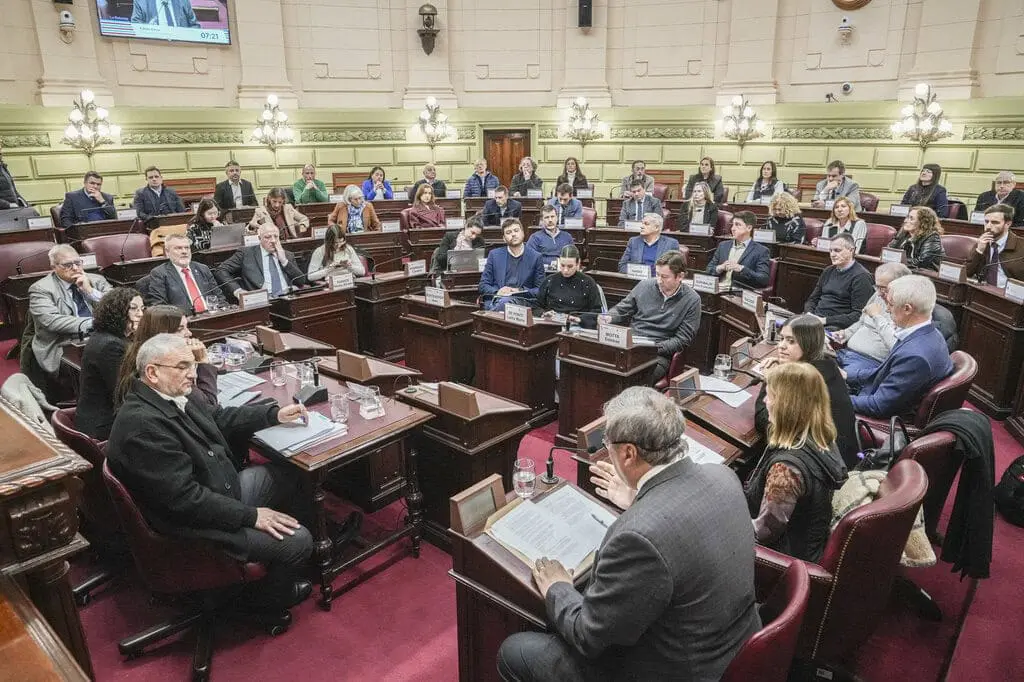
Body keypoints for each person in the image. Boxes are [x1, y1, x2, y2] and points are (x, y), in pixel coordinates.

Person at [497, 387, 760, 682]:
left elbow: (587, 636)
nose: (606, 450)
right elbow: (682, 522)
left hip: (677, 671)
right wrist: (639, 500)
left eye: (607, 443)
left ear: (628, 453)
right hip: (733, 646)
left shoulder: (639, 538)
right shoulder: (723, 476)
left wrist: (558, 587)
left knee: (515, 651)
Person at [106, 333, 315, 612]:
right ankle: (263, 603)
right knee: (299, 541)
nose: (193, 374)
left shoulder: (169, 395)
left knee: (289, 473)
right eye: (183, 367)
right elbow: (186, 501)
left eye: (193, 365)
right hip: (196, 530)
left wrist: (272, 415)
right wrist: (252, 516)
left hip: (216, 493)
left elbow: (217, 418)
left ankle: (294, 562)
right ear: (152, 373)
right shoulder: (143, 427)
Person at [747, 362, 848, 562]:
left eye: (770, 395)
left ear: (786, 405)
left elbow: (763, 533)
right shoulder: (822, 438)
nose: (765, 400)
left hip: (784, 560)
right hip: (808, 544)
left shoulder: (786, 470)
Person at [754, 315, 859, 468]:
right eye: (781, 339)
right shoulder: (827, 364)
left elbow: (764, 421)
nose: (781, 346)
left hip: (821, 466)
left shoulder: (806, 380)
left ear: (808, 344)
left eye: (791, 341)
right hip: (833, 458)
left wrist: (771, 378)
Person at [848, 275, 954, 419]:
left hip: (883, 417)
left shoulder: (915, 356)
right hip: (878, 395)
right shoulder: (929, 333)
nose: (887, 310)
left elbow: (878, 406)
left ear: (907, 309)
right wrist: (847, 375)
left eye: (890, 304)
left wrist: (834, 398)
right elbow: (884, 372)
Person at [601, 251, 701, 384]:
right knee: (603, 370)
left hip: (658, 354)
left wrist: (652, 348)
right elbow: (621, 309)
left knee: (633, 380)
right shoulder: (644, 286)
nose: (659, 280)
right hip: (631, 345)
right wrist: (609, 317)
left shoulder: (692, 300)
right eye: (657, 274)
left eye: (665, 277)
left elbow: (682, 340)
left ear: (680, 276)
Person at [28, 244, 112, 383]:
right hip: (63, 345)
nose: (75, 268)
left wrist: (91, 292)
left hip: (101, 338)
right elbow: (52, 321)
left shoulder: (96, 280)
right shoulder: (41, 289)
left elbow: (119, 305)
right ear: (53, 267)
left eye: (78, 263)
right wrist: (95, 323)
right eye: (67, 265)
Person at [75, 288, 145, 440]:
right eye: (134, 308)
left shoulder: (110, 337)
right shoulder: (110, 345)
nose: (140, 314)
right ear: (117, 311)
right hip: (102, 425)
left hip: (108, 415)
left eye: (142, 308)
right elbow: (124, 391)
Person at [115, 305, 215, 408]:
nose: (189, 333)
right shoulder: (163, 368)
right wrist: (203, 362)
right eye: (180, 329)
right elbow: (208, 406)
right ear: (160, 334)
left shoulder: (137, 356)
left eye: (186, 327)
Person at [834, 262, 910, 385]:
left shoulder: (906, 310)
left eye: (883, 288)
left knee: (831, 380)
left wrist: (876, 316)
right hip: (846, 352)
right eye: (877, 287)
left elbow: (895, 345)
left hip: (869, 362)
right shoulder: (878, 296)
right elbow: (862, 321)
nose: (879, 293)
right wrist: (846, 333)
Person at [215, 223, 306, 299]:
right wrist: (238, 290)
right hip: (261, 301)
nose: (273, 240)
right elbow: (221, 270)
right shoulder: (246, 254)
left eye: (276, 236)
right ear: (259, 238)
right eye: (268, 237)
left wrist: (284, 261)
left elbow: (301, 281)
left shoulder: (287, 255)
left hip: (287, 298)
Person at [803, 233, 874, 329]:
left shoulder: (862, 277)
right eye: (831, 250)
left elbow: (859, 315)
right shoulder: (828, 270)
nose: (832, 254)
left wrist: (825, 320)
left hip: (835, 326)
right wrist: (809, 314)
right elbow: (812, 299)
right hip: (816, 319)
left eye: (837, 250)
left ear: (851, 250)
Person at [479, 219, 545, 311]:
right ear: (504, 238)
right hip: (498, 299)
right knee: (502, 303)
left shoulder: (535, 257)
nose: (513, 234)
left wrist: (520, 291)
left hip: (522, 302)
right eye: (508, 232)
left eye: (516, 230)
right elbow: (483, 285)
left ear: (523, 233)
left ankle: (493, 314)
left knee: (504, 303)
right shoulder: (494, 255)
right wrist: (498, 291)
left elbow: (540, 290)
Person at [146, 233, 222, 314]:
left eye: (187, 248)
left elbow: (220, 298)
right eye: (178, 248)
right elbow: (160, 307)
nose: (184, 252)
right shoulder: (159, 273)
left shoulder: (203, 268)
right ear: (167, 252)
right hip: (184, 319)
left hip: (212, 316)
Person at [706, 212, 771, 289]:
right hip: (717, 288)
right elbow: (708, 269)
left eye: (737, 225)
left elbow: (763, 279)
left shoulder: (761, 251)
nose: (732, 228)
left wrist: (742, 269)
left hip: (738, 292)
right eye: (732, 224)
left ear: (749, 228)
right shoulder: (723, 246)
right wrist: (720, 268)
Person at [536, 246, 603, 317]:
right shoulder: (550, 280)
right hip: (552, 321)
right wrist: (543, 313)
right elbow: (536, 305)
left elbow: (596, 311)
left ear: (578, 263)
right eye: (562, 265)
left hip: (578, 321)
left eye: (570, 266)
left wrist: (580, 319)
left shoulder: (588, 282)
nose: (565, 270)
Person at [966, 204, 1023, 286]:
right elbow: (967, 273)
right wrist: (979, 251)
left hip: (1011, 292)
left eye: (995, 222)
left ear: (1008, 224)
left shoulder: (1021, 246)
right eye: (986, 222)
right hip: (983, 290)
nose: (988, 226)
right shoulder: (982, 242)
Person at [889, 205, 944, 271]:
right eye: (907, 217)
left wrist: (897, 260)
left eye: (911, 218)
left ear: (923, 222)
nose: (905, 221)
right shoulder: (903, 232)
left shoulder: (932, 237)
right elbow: (889, 250)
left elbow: (922, 262)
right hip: (903, 268)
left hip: (924, 272)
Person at [0, 144, 29, 209]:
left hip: (13, 210)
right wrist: (8, 205)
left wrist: (24, 203)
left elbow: (14, 191)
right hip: (4, 212)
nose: (1, 153)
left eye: (0, 149)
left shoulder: (3, 167)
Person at [130, 0, 200, 27]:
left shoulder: (183, 1)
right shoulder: (141, 2)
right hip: (153, 46)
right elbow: (136, 27)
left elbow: (195, 26)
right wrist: (148, 28)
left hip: (181, 46)